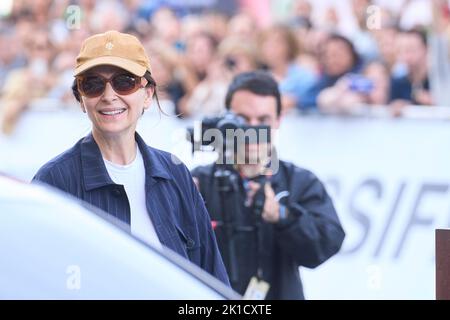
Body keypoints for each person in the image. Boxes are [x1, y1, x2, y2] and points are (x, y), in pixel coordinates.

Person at [32, 30, 229, 285]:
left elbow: (211, 277)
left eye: (124, 81)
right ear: (81, 99)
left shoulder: (175, 173)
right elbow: (37, 279)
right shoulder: (55, 181)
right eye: (92, 84)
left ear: (147, 94)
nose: (109, 95)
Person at [191, 71, 345, 299]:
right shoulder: (199, 182)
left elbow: (324, 246)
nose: (252, 130)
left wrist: (283, 216)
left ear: (278, 121)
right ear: (227, 119)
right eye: (242, 120)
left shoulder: (299, 181)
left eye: (263, 121)